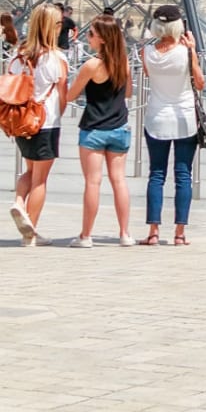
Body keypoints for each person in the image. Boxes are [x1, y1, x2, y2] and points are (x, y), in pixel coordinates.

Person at [139, 5, 202, 246]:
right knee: (183, 176)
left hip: (156, 117)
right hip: (184, 118)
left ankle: (153, 232)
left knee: (156, 175)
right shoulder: (185, 52)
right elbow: (200, 81)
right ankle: (179, 233)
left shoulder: (147, 52)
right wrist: (192, 50)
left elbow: (148, 74)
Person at [71, 13, 135, 247]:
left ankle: (86, 235)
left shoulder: (91, 65)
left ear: (103, 39)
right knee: (119, 181)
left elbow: (71, 94)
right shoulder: (124, 62)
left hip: (94, 129)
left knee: (93, 182)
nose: (88, 37)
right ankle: (125, 233)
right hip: (119, 127)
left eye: (91, 34)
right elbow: (128, 93)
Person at [8, 4, 70, 245]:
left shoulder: (18, 56)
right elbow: (63, 95)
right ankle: (30, 234)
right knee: (40, 179)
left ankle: (18, 202)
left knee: (30, 170)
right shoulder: (56, 58)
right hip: (46, 121)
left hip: (22, 121)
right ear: (52, 27)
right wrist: (58, 114)